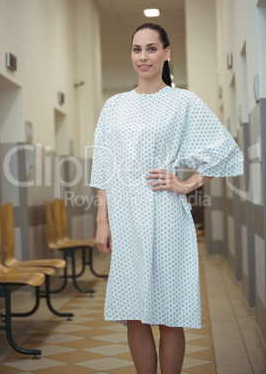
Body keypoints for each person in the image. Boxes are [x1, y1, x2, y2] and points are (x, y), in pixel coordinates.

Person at [90, 22, 243, 373]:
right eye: (136, 49)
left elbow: (226, 151)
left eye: (151, 48)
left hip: (167, 216)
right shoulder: (114, 106)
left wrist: (188, 184)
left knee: (170, 314)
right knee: (134, 315)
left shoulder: (184, 102)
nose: (143, 56)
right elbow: (104, 167)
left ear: (166, 53)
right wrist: (102, 220)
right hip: (126, 221)